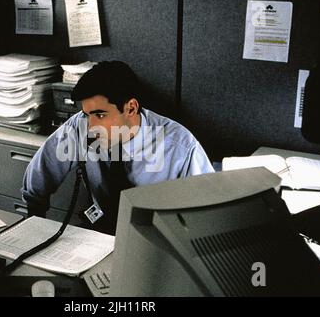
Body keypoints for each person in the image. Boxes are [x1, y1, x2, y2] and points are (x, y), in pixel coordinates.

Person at [22, 61, 214, 235]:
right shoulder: (80, 127)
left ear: (130, 108)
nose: (91, 126)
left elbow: (208, 217)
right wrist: (34, 229)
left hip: (157, 239)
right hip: (99, 231)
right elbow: (39, 178)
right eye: (87, 114)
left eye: (100, 115)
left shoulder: (180, 147)